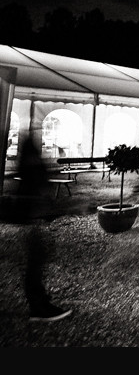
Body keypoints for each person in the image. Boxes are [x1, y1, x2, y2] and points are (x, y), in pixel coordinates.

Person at [8, 132, 72, 321]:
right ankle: (39, 307)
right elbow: (40, 193)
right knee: (35, 263)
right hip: (33, 220)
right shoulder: (33, 167)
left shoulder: (28, 166)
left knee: (36, 262)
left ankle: (39, 302)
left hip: (33, 220)